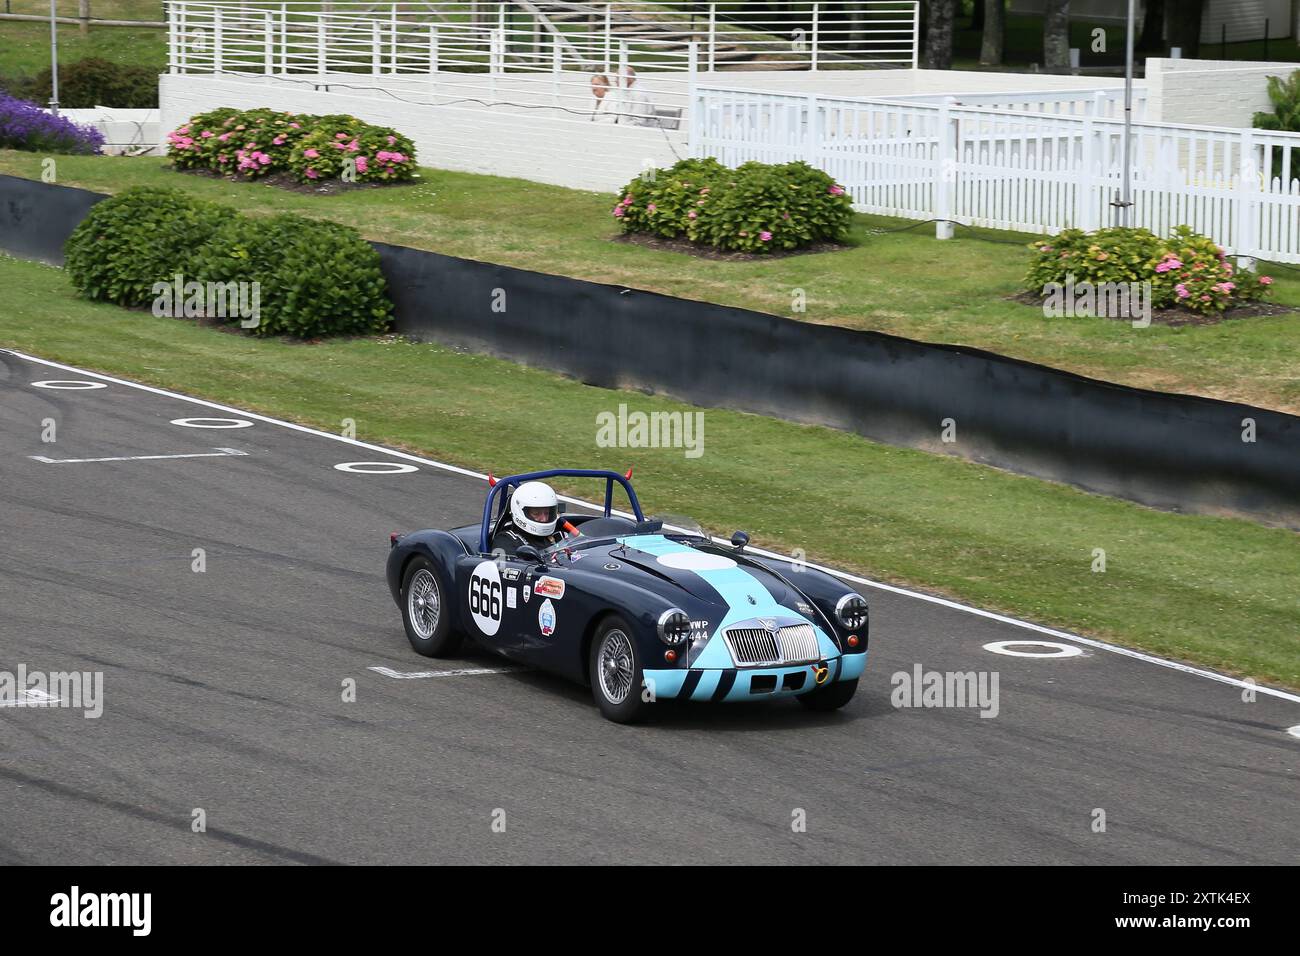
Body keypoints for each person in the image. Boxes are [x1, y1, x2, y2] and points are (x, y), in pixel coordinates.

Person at [491, 481, 564, 555]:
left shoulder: (558, 534)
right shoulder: (505, 541)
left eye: (547, 513)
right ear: (520, 511)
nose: (544, 519)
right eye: (536, 513)